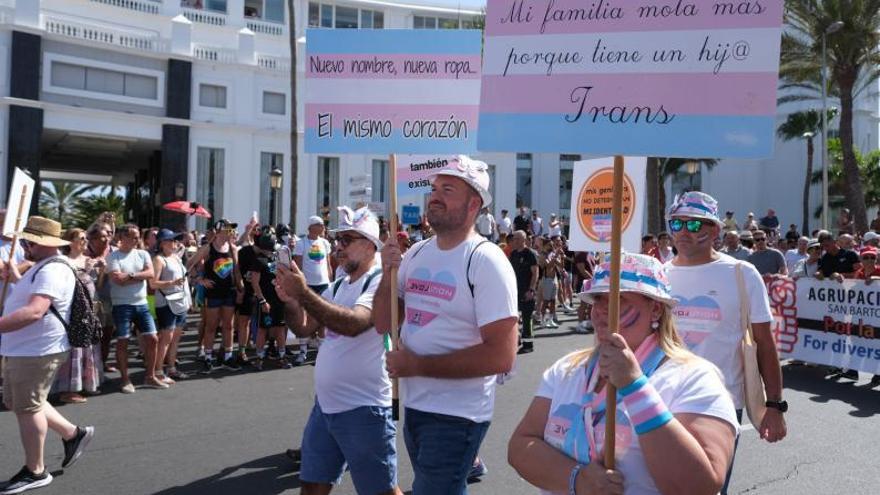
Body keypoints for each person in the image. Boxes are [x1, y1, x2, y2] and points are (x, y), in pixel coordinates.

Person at [508, 253, 737, 495]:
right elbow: (521, 445)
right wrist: (577, 479)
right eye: (598, 298)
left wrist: (634, 386)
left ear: (656, 309)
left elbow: (700, 486)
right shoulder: (567, 370)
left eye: (619, 298)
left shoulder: (695, 378)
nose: (602, 309)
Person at [374, 155, 518, 494]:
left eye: (447, 189)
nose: (434, 196)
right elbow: (383, 322)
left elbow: (502, 356)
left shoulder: (486, 261)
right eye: (434, 188)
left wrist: (417, 365)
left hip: (457, 416)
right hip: (417, 407)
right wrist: (386, 271)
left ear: (473, 205)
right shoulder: (416, 254)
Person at [664, 192, 786, 495]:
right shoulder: (659, 274)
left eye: (694, 225)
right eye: (677, 223)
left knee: (708, 490)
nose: (683, 232)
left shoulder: (741, 274)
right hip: (661, 404)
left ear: (715, 230)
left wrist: (775, 405)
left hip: (721, 407)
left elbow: (764, 343)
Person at [275, 205, 402, 495]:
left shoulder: (380, 281)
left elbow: (355, 323)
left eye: (347, 240)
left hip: (364, 408)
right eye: (338, 240)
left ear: (370, 246)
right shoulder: (338, 285)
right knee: (311, 487)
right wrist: (293, 301)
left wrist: (304, 292)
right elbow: (305, 328)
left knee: (380, 491)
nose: (339, 247)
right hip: (326, 407)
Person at [0, 216, 95, 494]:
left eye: (29, 241)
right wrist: (14, 276)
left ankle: (35, 470)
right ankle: (73, 434)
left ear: (39, 243)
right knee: (22, 402)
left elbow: (35, 311)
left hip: (36, 349)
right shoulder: (46, 266)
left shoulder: (52, 269)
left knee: (28, 408)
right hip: (27, 348)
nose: (25, 245)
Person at [107, 223, 164, 393]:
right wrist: (139, 276)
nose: (136, 239)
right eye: (132, 236)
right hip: (121, 305)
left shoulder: (143, 254)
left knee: (153, 339)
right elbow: (117, 280)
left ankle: (150, 376)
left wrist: (131, 276)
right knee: (123, 341)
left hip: (142, 304)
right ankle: (125, 379)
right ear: (122, 237)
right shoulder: (113, 257)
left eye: (137, 235)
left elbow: (150, 274)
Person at [52, 229, 102, 404]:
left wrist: (99, 270)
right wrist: (86, 271)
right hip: (74, 310)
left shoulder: (87, 259)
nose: (85, 241)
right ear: (70, 241)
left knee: (88, 345)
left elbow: (97, 284)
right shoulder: (64, 261)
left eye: (85, 238)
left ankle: (86, 383)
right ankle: (67, 390)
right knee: (75, 347)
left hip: (89, 307)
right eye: (81, 238)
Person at [187, 219, 243, 371]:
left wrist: (240, 289)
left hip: (229, 291)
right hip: (213, 293)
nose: (230, 231)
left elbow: (236, 271)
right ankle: (208, 357)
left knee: (229, 325)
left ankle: (227, 357)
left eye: (231, 229)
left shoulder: (233, 248)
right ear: (219, 231)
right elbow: (189, 263)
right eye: (228, 229)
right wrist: (199, 279)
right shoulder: (208, 248)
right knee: (211, 326)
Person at [248, 226, 292, 370]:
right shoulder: (258, 260)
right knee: (263, 329)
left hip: (279, 300)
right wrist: (262, 301)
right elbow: (254, 283)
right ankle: (259, 358)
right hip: (266, 302)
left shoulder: (278, 259)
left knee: (280, 328)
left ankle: (282, 356)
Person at [292, 215, 334, 365]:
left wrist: (330, 281)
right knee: (306, 319)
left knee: (322, 319)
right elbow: (297, 266)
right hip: (308, 285)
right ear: (311, 227)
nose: (323, 227)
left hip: (323, 285)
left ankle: (320, 354)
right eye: (319, 224)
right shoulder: (301, 243)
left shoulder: (325, 242)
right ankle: (302, 352)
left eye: (323, 224)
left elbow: (328, 264)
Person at [150, 229, 191, 382]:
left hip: (180, 302)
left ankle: (171, 368)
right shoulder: (159, 260)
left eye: (175, 240)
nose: (175, 242)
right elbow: (153, 283)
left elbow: (184, 281)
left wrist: (188, 301)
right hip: (166, 303)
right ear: (162, 243)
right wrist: (171, 283)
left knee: (175, 338)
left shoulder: (175, 258)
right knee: (166, 339)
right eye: (172, 240)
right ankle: (159, 371)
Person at [509, 230, 539, 354]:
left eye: (516, 239)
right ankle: (517, 339)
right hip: (515, 291)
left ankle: (528, 344)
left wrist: (531, 290)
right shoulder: (513, 254)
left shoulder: (530, 254)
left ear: (523, 240)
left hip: (527, 291)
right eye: (513, 239)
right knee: (513, 317)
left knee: (527, 318)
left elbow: (535, 273)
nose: (514, 241)